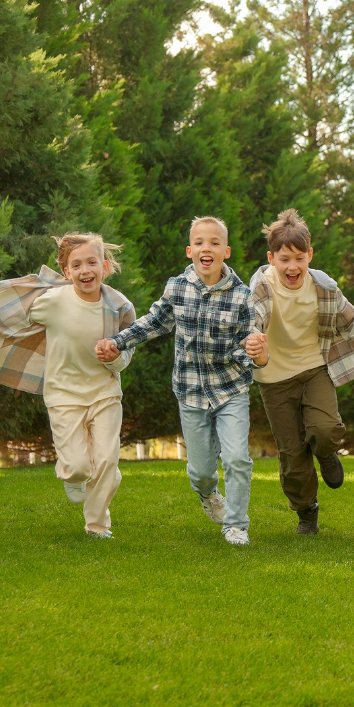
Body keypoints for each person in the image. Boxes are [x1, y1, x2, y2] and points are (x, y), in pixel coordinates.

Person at [96, 217, 267, 546]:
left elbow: (248, 349)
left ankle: (236, 524)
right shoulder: (177, 288)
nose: (207, 248)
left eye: (215, 243)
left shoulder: (243, 297)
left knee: (236, 458)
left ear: (226, 252)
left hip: (231, 390)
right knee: (201, 471)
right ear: (190, 251)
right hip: (190, 391)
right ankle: (208, 493)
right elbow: (152, 323)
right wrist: (118, 342)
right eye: (200, 242)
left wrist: (258, 355)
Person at [0, 233, 134, 538]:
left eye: (92, 262)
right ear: (67, 274)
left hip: (105, 391)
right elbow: (13, 319)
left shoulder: (118, 306)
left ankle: (97, 525)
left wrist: (116, 356)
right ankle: (73, 474)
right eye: (76, 265)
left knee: (107, 460)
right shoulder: (53, 301)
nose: (85, 270)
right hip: (63, 394)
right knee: (79, 465)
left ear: (104, 266)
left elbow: (129, 347)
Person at [247, 208, 354, 535]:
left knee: (324, 430)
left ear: (310, 255)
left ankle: (326, 452)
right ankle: (306, 511)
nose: (292, 267)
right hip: (273, 380)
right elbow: (249, 320)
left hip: (314, 370)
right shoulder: (261, 287)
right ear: (271, 258)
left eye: (299, 257)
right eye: (284, 259)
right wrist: (253, 342)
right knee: (292, 455)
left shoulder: (324, 289)